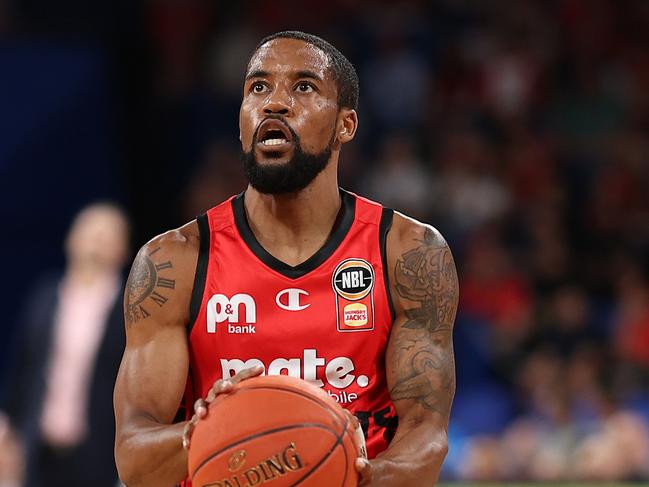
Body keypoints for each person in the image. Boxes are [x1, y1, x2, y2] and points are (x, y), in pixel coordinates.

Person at [114, 31, 458, 487]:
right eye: (258, 87)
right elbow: (133, 459)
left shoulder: (407, 252)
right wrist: (212, 429)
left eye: (303, 87)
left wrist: (344, 473)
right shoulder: (173, 262)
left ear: (346, 125)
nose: (274, 104)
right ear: (240, 122)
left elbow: (426, 437)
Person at [0, 203, 129, 487]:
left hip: (99, 452)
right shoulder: (44, 297)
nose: (96, 242)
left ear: (123, 248)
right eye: (90, 233)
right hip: (39, 448)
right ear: (71, 239)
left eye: (107, 235)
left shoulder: (129, 308)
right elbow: (22, 368)